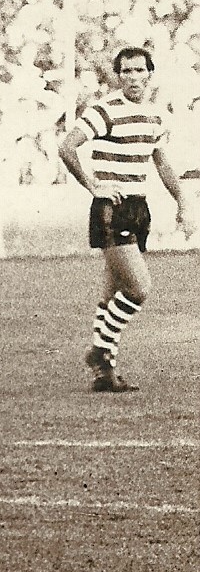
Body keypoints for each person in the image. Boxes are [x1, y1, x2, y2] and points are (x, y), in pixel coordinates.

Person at [59, 46, 196, 392]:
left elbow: (161, 162)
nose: (133, 77)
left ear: (150, 74)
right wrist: (94, 186)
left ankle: (104, 373)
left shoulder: (155, 116)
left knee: (112, 293)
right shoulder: (104, 110)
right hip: (112, 209)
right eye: (126, 71)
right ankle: (98, 350)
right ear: (118, 76)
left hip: (138, 208)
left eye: (139, 70)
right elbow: (66, 147)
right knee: (138, 288)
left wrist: (182, 201)